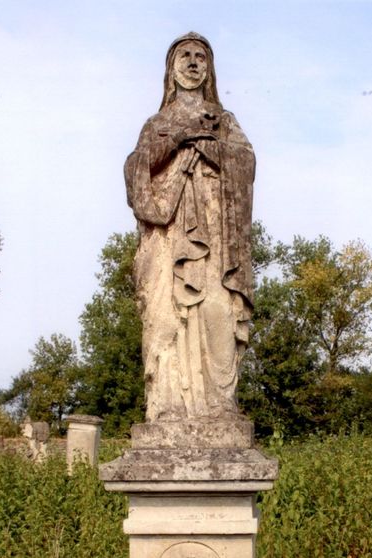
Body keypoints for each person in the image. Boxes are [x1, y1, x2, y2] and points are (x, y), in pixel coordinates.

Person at [124, 33, 255, 421]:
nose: (194, 62)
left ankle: (218, 404)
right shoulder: (157, 123)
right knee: (166, 317)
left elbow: (246, 165)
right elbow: (137, 174)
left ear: (210, 69)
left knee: (216, 310)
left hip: (215, 238)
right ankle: (167, 405)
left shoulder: (225, 121)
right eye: (185, 56)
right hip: (168, 239)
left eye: (201, 57)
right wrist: (181, 136)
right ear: (171, 69)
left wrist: (210, 144)